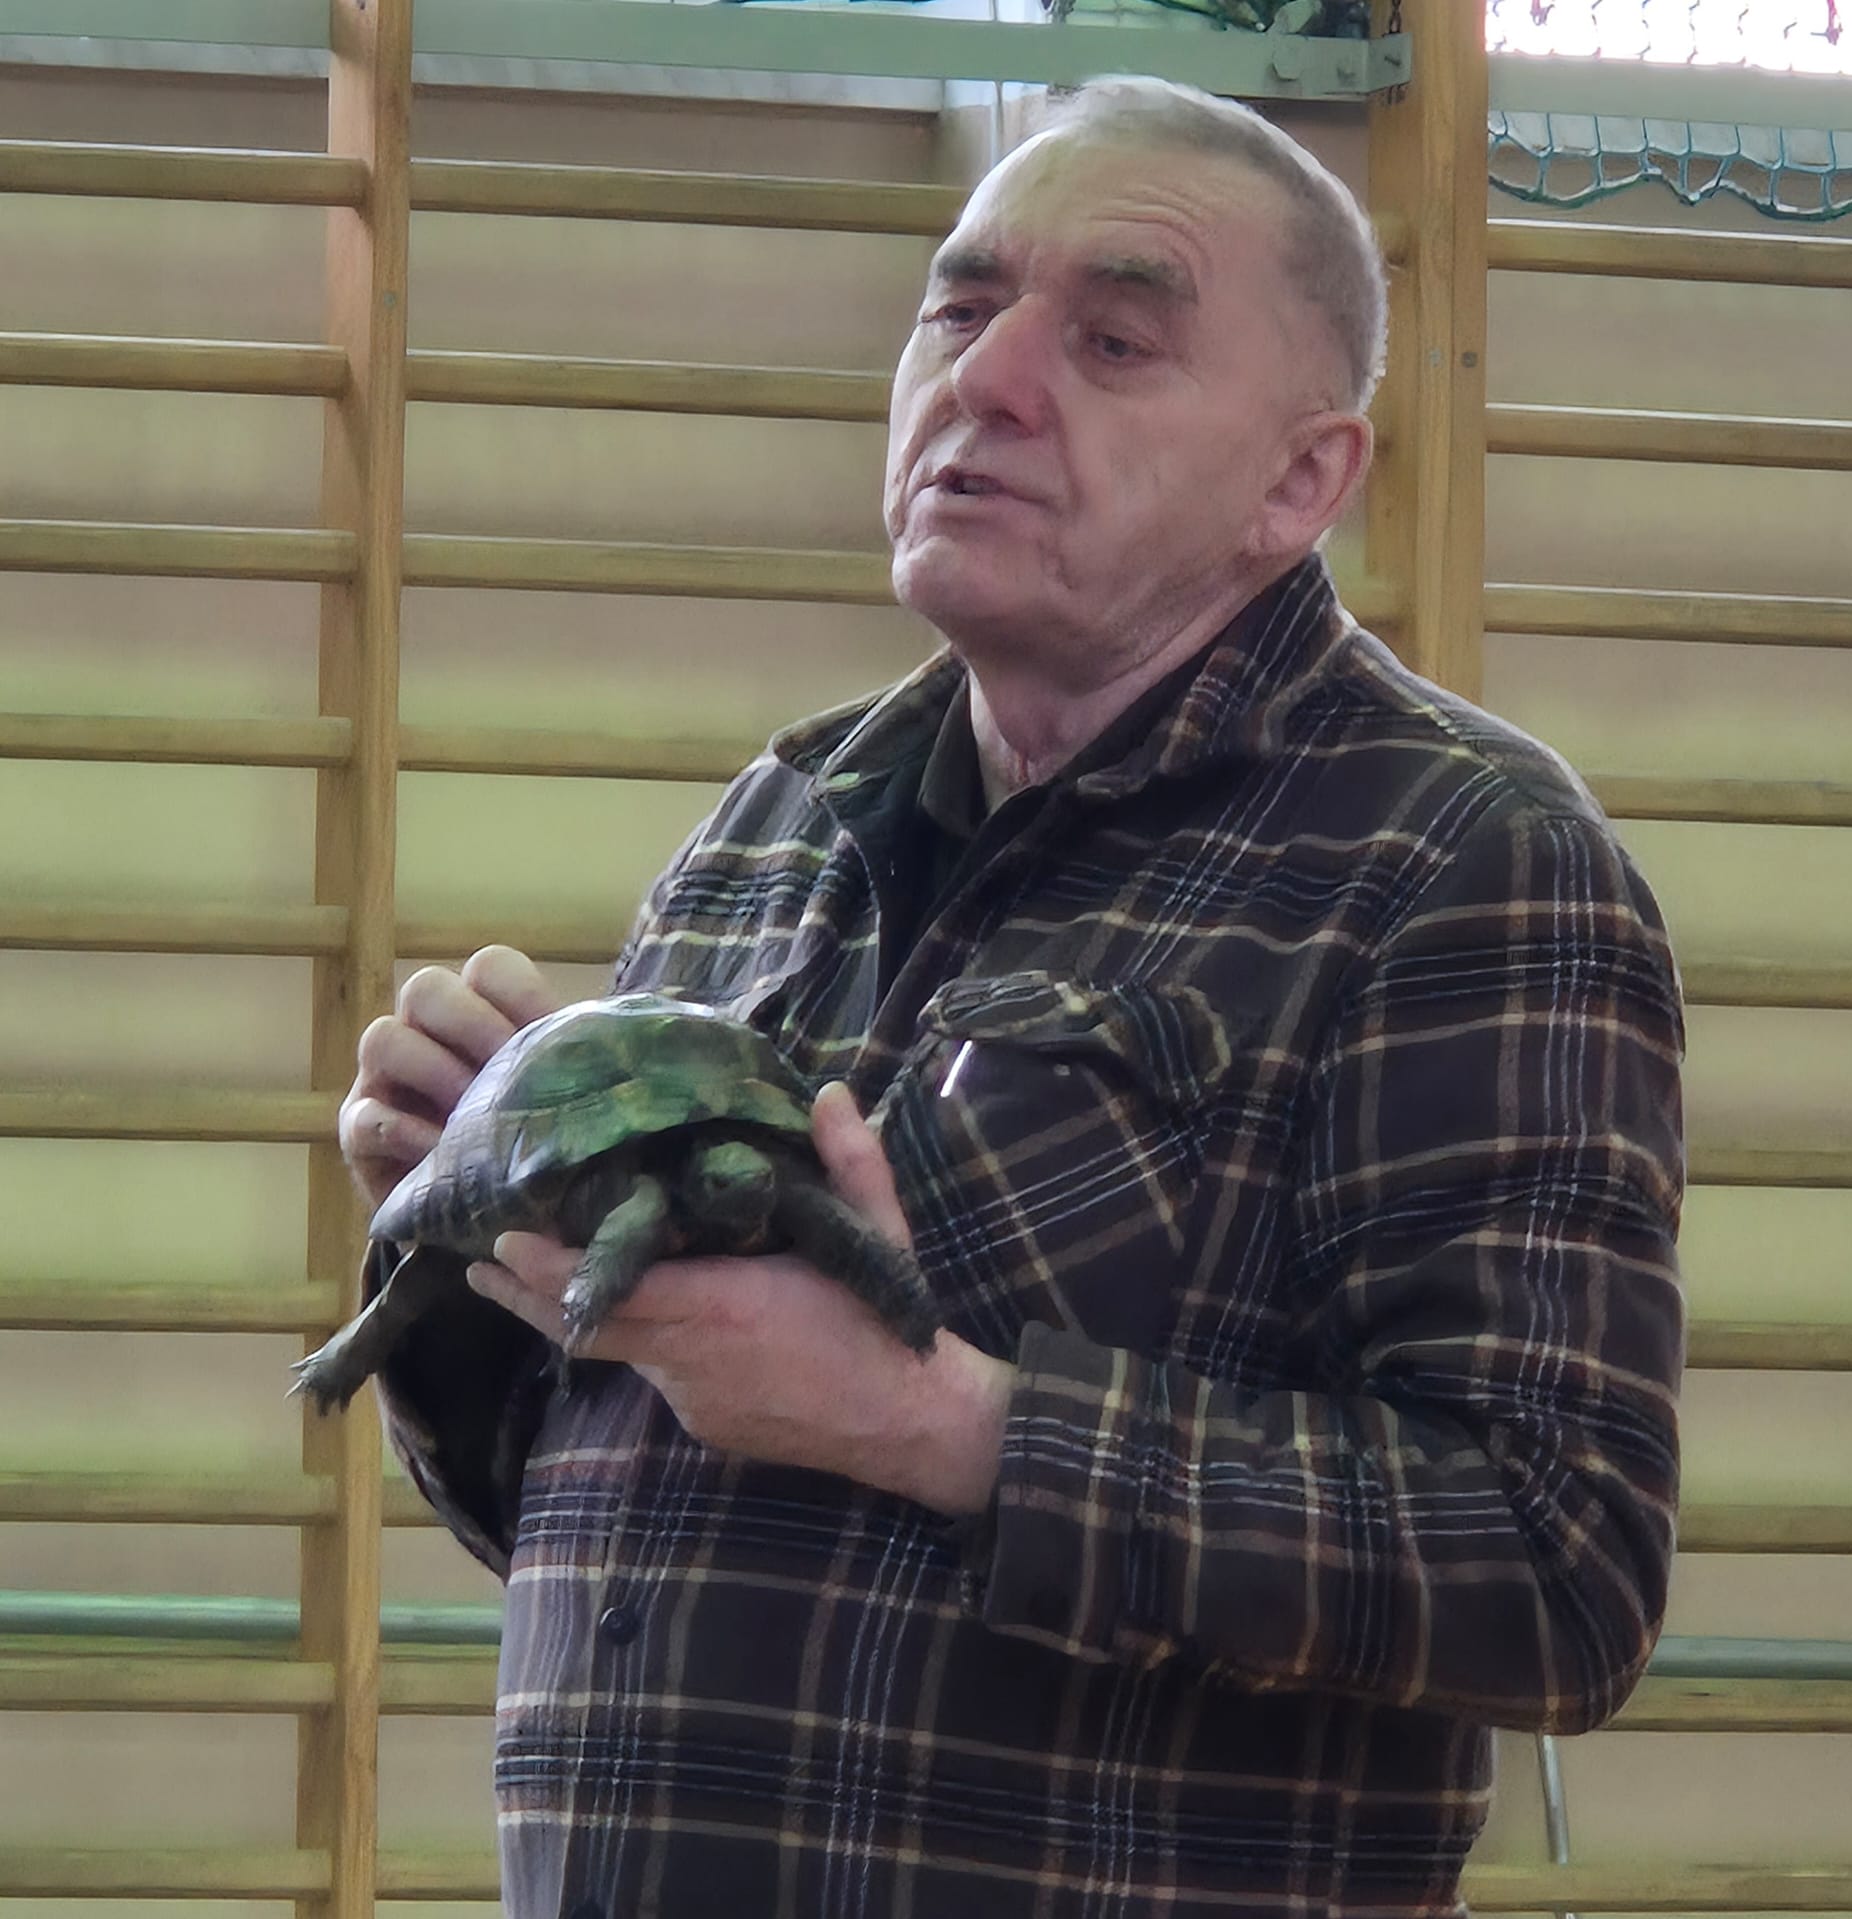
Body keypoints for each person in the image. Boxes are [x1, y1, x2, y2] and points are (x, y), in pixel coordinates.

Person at [340, 77, 1686, 1919]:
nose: (985, 378)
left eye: (1114, 342)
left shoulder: (1460, 857)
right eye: (961, 308)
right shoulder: (776, 824)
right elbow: (623, 1504)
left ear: (1301, 481)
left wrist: (943, 1422)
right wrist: (483, 1214)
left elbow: (1557, 1566)